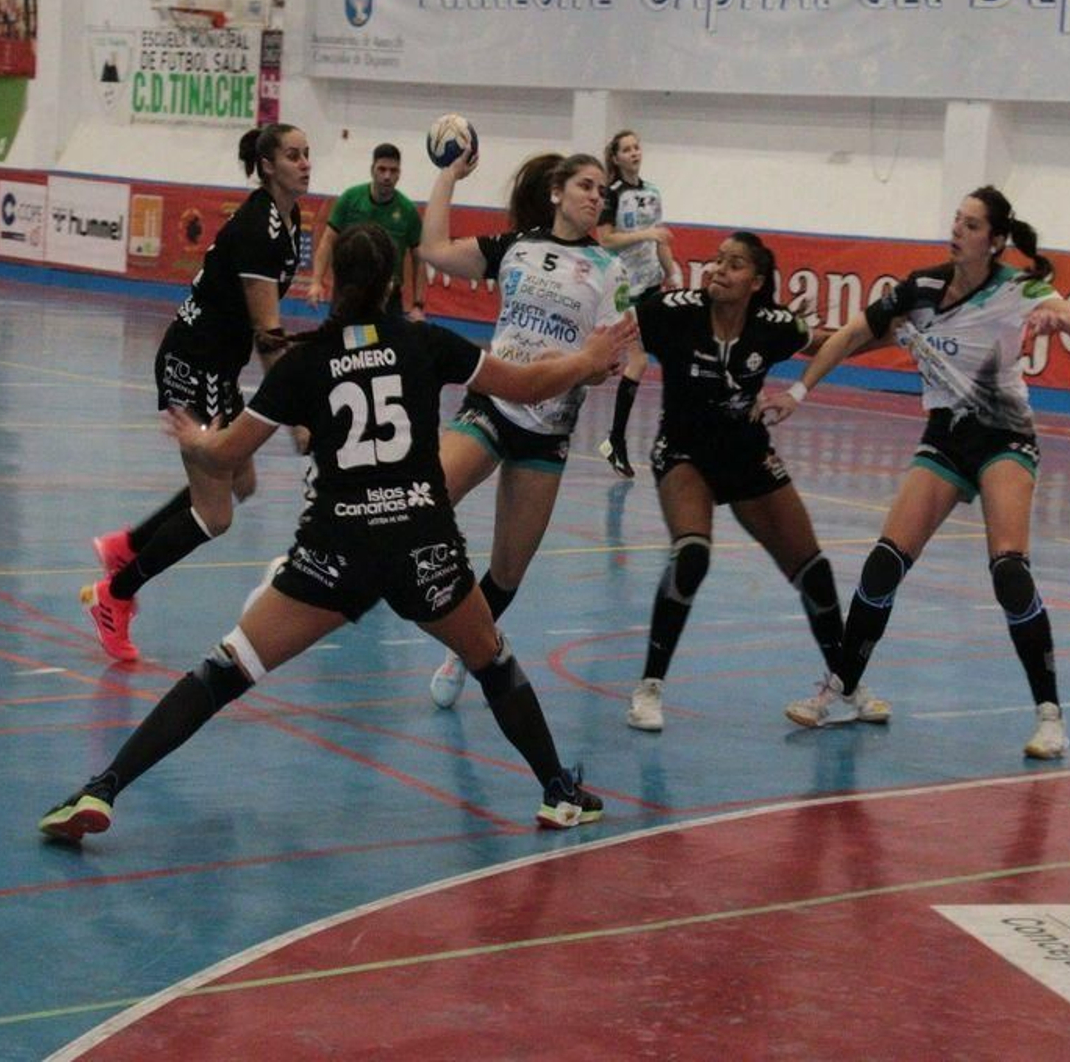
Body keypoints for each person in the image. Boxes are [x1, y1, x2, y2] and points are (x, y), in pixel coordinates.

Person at [39, 225, 630, 841]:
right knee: (492, 659)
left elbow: (225, 455)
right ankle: (559, 792)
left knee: (226, 669)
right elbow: (524, 386)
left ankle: (101, 789)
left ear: (332, 283)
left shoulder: (304, 362)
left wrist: (195, 440)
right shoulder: (426, 343)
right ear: (394, 284)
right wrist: (587, 361)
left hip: (335, 551)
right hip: (420, 543)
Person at [759, 186, 1070, 756]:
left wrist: (1058, 316)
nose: (957, 230)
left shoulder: (1018, 286)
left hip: (1004, 436)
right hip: (945, 438)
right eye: (956, 220)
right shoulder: (921, 288)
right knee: (885, 561)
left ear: (995, 240)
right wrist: (797, 390)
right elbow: (852, 335)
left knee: (1008, 569)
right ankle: (839, 684)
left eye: (970, 224)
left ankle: (1050, 715)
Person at [83, 124, 311, 664]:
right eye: (293, 156)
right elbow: (268, 335)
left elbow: (259, 333)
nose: (305, 163)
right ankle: (115, 595)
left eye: (308, 154)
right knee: (216, 515)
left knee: (243, 481)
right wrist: (301, 414)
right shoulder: (259, 229)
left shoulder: (286, 218)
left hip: (216, 367)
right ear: (267, 166)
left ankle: (127, 546)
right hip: (195, 364)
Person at [418, 147, 633, 709]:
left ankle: (466, 648)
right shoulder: (516, 246)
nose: (596, 196)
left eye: (602, 191)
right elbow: (434, 249)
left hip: (549, 429)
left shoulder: (610, 271)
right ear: (557, 192)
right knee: (425, 498)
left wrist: (601, 365)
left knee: (509, 571)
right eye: (586, 185)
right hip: (493, 405)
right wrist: (447, 175)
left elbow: (613, 357)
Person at [622, 231, 862, 732]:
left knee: (814, 571)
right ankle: (649, 687)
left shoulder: (772, 325)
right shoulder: (674, 311)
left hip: (747, 455)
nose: (717, 270)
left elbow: (837, 340)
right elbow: (614, 326)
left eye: (733, 265)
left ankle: (847, 686)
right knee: (692, 554)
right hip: (684, 452)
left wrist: (892, 327)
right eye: (716, 260)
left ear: (755, 282)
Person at [595, 129, 680, 478]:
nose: (634, 153)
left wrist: (671, 270)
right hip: (624, 286)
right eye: (626, 149)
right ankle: (615, 440)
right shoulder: (612, 195)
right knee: (640, 359)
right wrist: (647, 234)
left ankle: (627, 438)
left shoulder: (652, 192)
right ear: (615, 158)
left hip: (652, 285)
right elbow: (607, 240)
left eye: (637, 147)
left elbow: (661, 239)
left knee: (666, 353)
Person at [308, 142, 424, 319]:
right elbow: (327, 241)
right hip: (348, 293)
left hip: (388, 296)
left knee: (388, 345)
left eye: (393, 171)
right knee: (345, 343)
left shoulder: (408, 211)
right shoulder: (350, 199)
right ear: (372, 170)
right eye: (382, 169)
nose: (387, 176)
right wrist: (316, 282)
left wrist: (418, 305)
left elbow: (419, 259)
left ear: (399, 174)